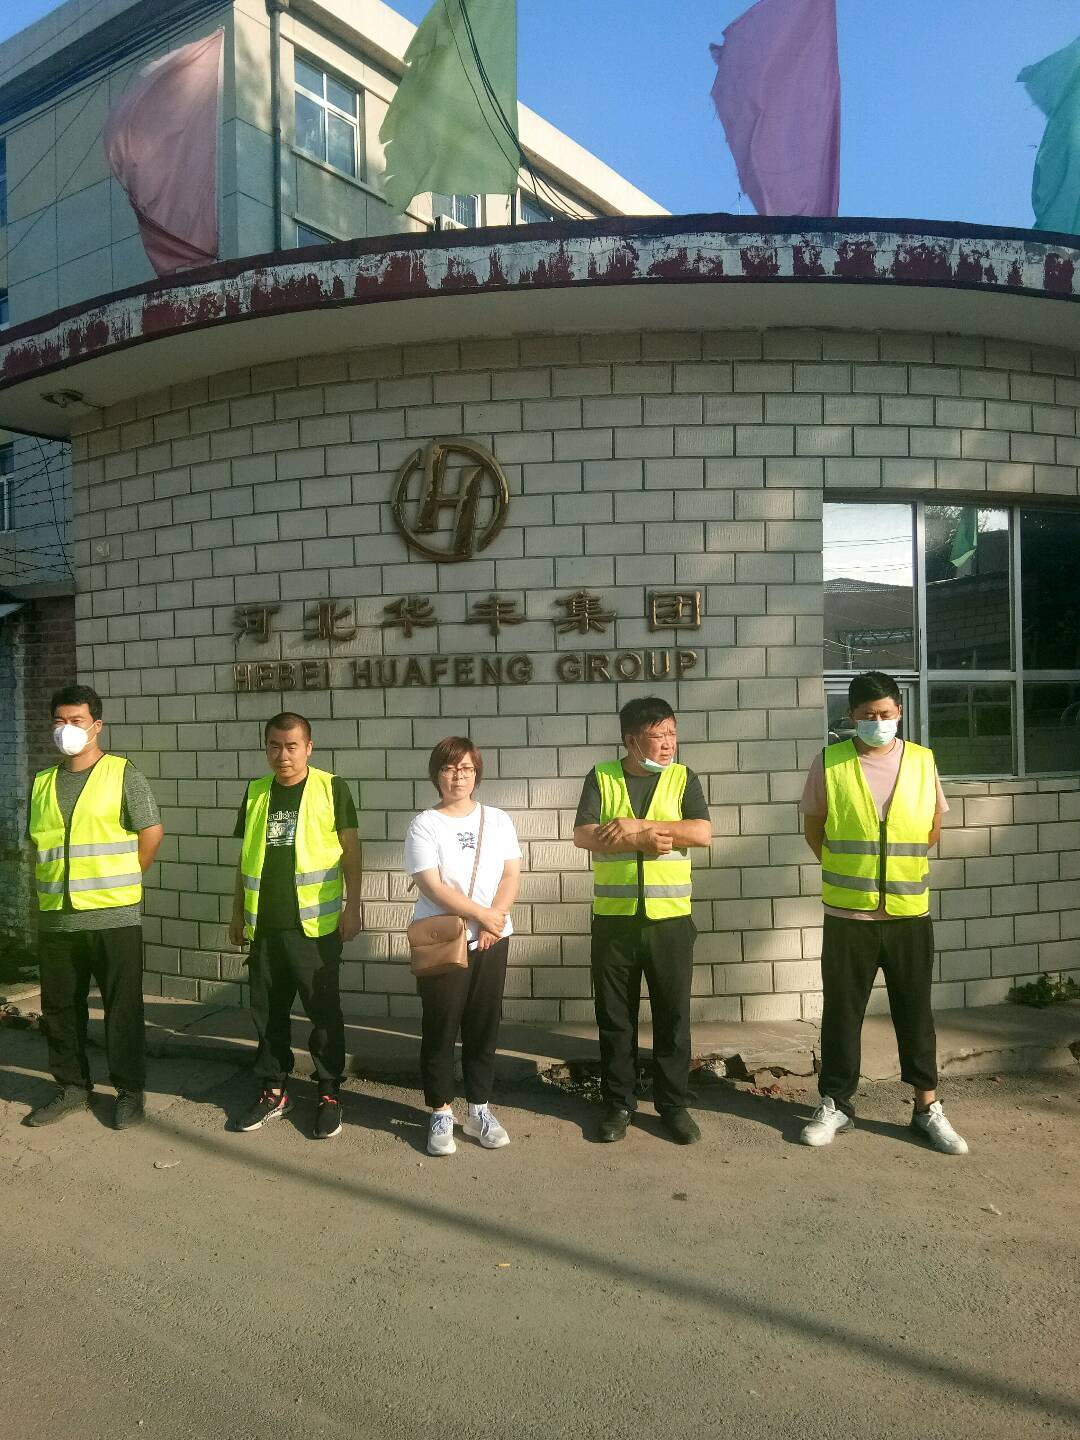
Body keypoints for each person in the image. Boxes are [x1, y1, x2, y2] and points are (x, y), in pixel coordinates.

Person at [799, 670, 968, 1155]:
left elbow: (932, 828)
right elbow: (814, 830)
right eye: (868, 715)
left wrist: (894, 871)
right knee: (842, 1012)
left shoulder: (922, 760)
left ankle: (927, 1107)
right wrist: (853, 872)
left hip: (908, 912)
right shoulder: (829, 762)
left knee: (915, 1013)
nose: (878, 722)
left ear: (900, 712)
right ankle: (836, 1104)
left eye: (886, 714)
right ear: (851, 716)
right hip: (848, 915)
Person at [573, 697, 712, 1145]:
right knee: (616, 1018)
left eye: (672, 733)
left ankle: (673, 1105)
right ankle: (618, 1103)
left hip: (670, 920)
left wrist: (636, 826)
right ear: (632, 740)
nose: (669, 743)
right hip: (614, 921)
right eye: (659, 735)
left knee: (673, 1016)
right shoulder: (601, 776)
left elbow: (702, 832)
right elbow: (583, 835)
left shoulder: (683, 777)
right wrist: (641, 839)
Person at [25, 684, 164, 1129]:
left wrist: (127, 877)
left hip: (113, 915)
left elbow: (151, 832)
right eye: (59, 720)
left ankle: (129, 1092)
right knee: (60, 1009)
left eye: (76, 720)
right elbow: (38, 844)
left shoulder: (122, 774)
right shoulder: (42, 782)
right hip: (57, 917)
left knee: (122, 1009)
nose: (66, 728)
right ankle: (72, 1087)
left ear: (96, 726)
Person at [229, 712, 362, 1140]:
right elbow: (245, 858)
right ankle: (274, 1089)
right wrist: (237, 912)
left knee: (323, 1013)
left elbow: (351, 850)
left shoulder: (331, 787)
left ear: (308, 748)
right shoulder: (255, 791)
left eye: (291, 746)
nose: (282, 755)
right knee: (268, 1013)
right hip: (266, 926)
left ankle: (328, 1092)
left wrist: (353, 906)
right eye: (274, 746)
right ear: (265, 748)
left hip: (315, 927)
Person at [405, 737, 521, 1157]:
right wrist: (483, 915)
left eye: (467, 769)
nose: (458, 777)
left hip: (492, 939)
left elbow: (510, 874)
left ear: (477, 773)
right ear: (436, 774)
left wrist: (495, 919)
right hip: (443, 940)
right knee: (441, 1026)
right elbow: (431, 885)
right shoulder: (424, 824)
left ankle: (479, 1109)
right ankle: (440, 1111)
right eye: (450, 768)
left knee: (483, 1026)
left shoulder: (498, 820)